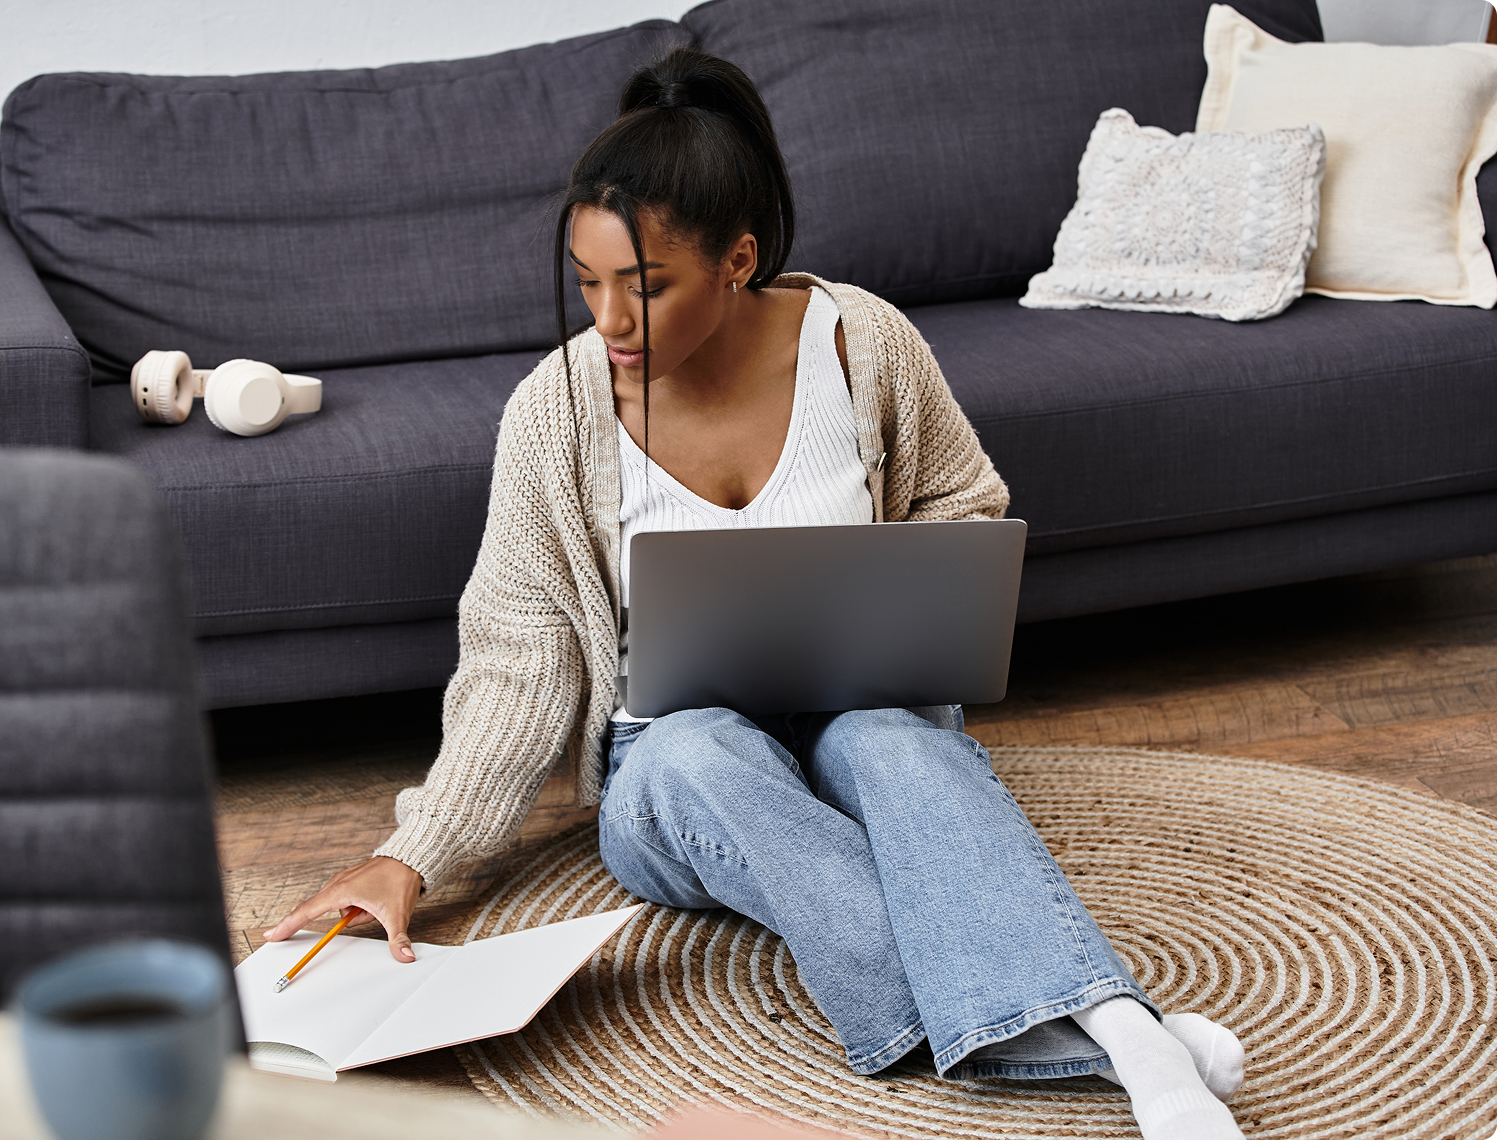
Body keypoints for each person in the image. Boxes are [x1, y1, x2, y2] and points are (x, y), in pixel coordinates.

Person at [265, 46, 1246, 1140]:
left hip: (860, 718)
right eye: (587, 285)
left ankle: (1121, 1032)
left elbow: (962, 505)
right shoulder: (558, 411)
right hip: (675, 776)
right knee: (694, 751)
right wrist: (417, 851)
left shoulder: (864, 342)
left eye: (644, 287)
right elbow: (520, 653)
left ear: (735, 262)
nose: (610, 322)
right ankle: (1103, 1029)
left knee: (893, 746)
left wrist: (899, 597)